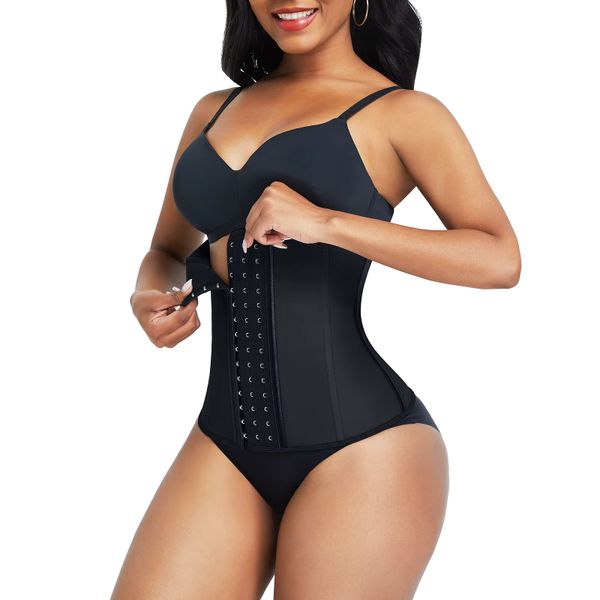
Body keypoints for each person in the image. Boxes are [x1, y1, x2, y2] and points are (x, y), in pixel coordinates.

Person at [113, 1, 521, 598]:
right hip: (224, 442)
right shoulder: (212, 110)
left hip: (365, 450)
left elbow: (499, 258)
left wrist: (327, 223)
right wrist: (149, 293)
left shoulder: (404, 115)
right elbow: (165, 249)